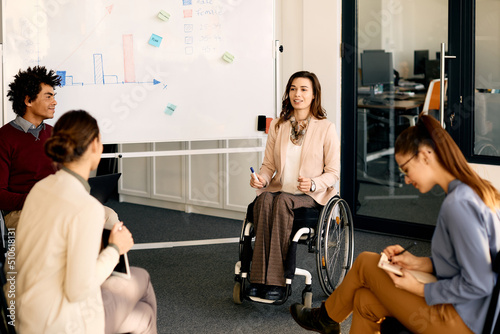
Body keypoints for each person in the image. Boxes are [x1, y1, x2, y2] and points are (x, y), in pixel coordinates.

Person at [290, 114, 500, 334]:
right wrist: (417, 263)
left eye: (406, 170)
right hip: (467, 312)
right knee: (363, 300)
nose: (407, 180)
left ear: (426, 155)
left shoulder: (459, 205)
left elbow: (479, 283)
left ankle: (325, 318)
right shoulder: (473, 192)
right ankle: (326, 318)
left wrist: (420, 288)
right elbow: (464, 262)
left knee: (364, 263)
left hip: (462, 321)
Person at [13, 110, 157, 333]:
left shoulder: (39, 190)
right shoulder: (86, 207)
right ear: (93, 145)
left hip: (26, 317)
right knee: (143, 278)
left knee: (143, 317)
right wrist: (114, 249)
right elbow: (78, 290)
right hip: (63, 323)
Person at [248, 71, 340, 300]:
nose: (297, 94)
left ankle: (278, 283)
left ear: (314, 95)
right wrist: (262, 178)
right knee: (265, 199)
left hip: (310, 196)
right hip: (281, 190)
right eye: (292, 89)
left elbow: (333, 172)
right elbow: (269, 165)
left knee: (281, 202)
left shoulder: (325, 128)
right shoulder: (279, 126)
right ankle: (259, 279)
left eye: (303, 89)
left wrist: (314, 183)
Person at [0, 66, 61, 228]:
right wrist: (36, 198)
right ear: (28, 101)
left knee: (109, 218)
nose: (54, 102)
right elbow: (0, 194)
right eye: (48, 97)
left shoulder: (55, 134)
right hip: (21, 210)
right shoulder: (4, 138)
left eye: (54, 96)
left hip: (58, 206)